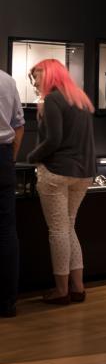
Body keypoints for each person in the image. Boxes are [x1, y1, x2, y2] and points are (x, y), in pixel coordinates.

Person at [25, 60, 96, 305]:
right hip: (83, 173)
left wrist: (31, 157)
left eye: (36, 76)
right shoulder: (80, 99)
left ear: (49, 74)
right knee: (68, 227)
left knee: (58, 230)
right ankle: (78, 288)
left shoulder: (52, 100)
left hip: (56, 172)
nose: (34, 82)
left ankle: (61, 290)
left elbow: (53, 140)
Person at [0, 67, 24, 317]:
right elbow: (19, 125)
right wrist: (11, 159)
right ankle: (7, 303)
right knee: (6, 231)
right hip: (3, 158)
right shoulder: (7, 80)